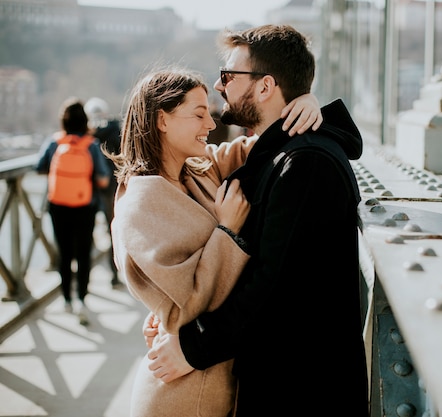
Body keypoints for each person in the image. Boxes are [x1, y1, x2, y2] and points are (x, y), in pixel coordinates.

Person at [146, 25, 369, 416]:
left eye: (229, 76)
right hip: (289, 380)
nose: (220, 85)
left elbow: (271, 286)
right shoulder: (285, 155)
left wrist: (192, 348)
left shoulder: (305, 164)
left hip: (300, 390)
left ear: (265, 87)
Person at [109, 66, 323, 417]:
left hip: (209, 377)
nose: (211, 124)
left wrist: (305, 104)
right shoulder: (141, 204)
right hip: (182, 394)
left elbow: (259, 146)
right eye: (198, 114)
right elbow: (187, 301)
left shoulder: (198, 169)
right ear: (162, 120)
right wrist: (227, 230)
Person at [36, 97, 111, 326]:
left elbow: (39, 167)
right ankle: (82, 300)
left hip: (58, 206)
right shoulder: (91, 145)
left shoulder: (54, 142)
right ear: (84, 121)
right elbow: (103, 179)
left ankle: (66, 299)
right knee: (83, 253)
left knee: (64, 253)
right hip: (85, 207)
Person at [84, 97, 123, 288]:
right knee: (112, 231)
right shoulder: (116, 130)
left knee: (85, 232)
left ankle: (83, 278)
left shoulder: (87, 134)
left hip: (88, 188)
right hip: (111, 188)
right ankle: (114, 276)